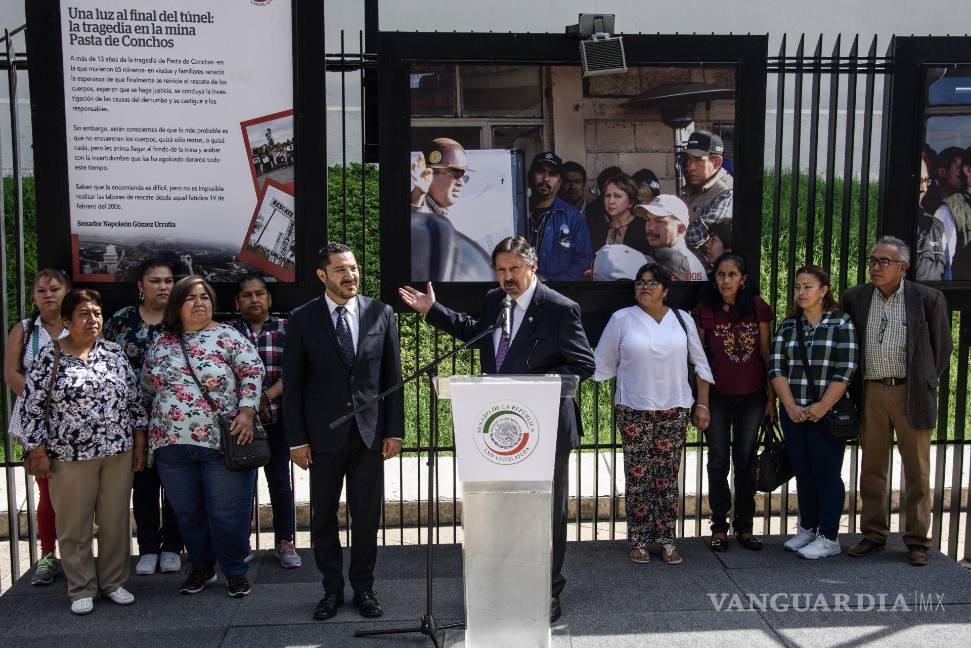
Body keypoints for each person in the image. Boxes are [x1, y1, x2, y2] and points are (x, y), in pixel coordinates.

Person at [399, 235, 595, 623]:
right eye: (501, 270)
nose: (507, 277)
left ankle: (548, 591)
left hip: (546, 428)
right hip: (500, 427)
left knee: (546, 512)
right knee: (505, 509)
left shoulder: (559, 308)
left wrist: (533, 387)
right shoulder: (495, 301)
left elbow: (583, 365)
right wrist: (433, 311)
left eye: (514, 269)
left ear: (533, 266)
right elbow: (477, 333)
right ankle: (507, 582)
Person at [284, 244, 403, 621]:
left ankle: (364, 588)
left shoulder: (381, 313)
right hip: (323, 437)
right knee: (322, 518)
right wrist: (297, 440)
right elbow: (294, 385)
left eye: (353, 269)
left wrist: (394, 431)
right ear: (322, 275)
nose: (350, 276)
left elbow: (392, 379)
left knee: (366, 516)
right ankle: (332, 589)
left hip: (369, 435)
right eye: (340, 270)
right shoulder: (303, 319)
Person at [21, 289, 147, 615]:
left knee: (115, 521)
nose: (92, 320)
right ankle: (81, 587)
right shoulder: (48, 359)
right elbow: (31, 410)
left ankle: (114, 582)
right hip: (69, 456)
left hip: (117, 451)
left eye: (96, 313)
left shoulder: (114, 353)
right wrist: (36, 450)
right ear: (66, 321)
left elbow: (133, 400)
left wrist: (139, 442)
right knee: (75, 525)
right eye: (84, 314)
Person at [141, 276, 265, 598]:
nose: (199, 303)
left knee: (227, 512)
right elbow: (147, 387)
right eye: (190, 298)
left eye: (205, 297)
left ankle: (235, 570)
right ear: (177, 306)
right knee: (188, 513)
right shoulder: (161, 343)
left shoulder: (228, 336)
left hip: (222, 442)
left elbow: (253, 373)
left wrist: (247, 412)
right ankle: (200, 566)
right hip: (171, 445)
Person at [594, 263, 713, 566]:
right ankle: (639, 539)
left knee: (667, 476)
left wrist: (702, 404)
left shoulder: (682, 320)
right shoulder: (622, 319)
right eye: (639, 282)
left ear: (665, 289)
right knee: (638, 476)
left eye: (651, 282)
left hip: (674, 408)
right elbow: (602, 363)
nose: (644, 287)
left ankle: (668, 539)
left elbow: (700, 364)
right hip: (634, 408)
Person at [841, 237, 950, 566]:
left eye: (883, 262)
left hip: (910, 391)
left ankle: (917, 539)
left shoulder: (927, 299)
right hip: (872, 389)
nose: (875, 267)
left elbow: (940, 349)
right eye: (873, 261)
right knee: (872, 468)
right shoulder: (856, 298)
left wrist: (923, 382)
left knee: (917, 469)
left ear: (902, 267)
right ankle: (873, 533)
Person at [768, 265, 858, 559]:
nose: (801, 292)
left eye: (807, 286)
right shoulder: (788, 326)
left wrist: (821, 406)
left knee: (826, 473)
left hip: (826, 413)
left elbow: (845, 369)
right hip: (794, 412)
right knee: (803, 472)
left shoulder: (840, 323)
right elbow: (776, 367)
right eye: (797, 287)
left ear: (824, 290)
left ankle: (829, 536)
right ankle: (808, 527)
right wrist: (791, 405)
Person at [103, 260, 184, 576]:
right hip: (131, 421)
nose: (163, 286)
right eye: (155, 281)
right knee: (144, 485)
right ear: (140, 285)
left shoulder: (181, 319)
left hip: (174, 419)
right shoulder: (121, 321)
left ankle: (173, 546)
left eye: (168, 281)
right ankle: (149, 547)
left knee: (177, 485)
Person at [693, 253, 775, 552]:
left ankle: (745, 526)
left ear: (742, 278)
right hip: (716, 397)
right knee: (717, 461)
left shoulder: (757, 307)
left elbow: (766, 353)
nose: (725, 281)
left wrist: (771, 398)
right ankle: (718, 527)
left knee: (745, 460)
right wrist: (700, 401)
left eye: (731, 275)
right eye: (720, 275)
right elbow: (699, 359)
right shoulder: (704, 310)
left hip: (753, 396)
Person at [226, 274, 300, 569]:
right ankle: (240, 542)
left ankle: (285, 540)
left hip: (278, 418)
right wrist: (248, 404)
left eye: (260, 294)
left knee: (280, 481)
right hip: (238, 421)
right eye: (247, 295)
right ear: (237, 302)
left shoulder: (287, 328)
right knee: (241, 483)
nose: (254, 299)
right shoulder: (227, 332)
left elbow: (295, 370)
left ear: (269, 298)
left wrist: (265, 396)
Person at [4, 269, 70, 586]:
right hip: (37, 420)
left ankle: (78, 553)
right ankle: (47, 554)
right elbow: (11, 373)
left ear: (66, 291)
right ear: (33, 296)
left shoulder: (82, 324)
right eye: (41, 290)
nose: (48, 295)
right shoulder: (25, 330)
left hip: (76, 421)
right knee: (47, 489)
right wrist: (40, 400)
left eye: (54, 289)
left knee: (82, 490)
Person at [410, 137, 492, 281]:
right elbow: (414, 226)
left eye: (463, 176)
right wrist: (418, 194)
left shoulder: (448, 217)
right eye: (455, 174)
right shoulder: (420, 209)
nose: (461, 183)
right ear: (429, 174)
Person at [526, 151, 593, 280]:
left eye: (552, 174)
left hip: (559, 294)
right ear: (531, 176)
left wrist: (550, 282)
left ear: (560, 182)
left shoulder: (574, 219)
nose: (546, 178)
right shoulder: (518, 213)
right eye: (540, 171)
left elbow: (584, 262)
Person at [680, 130, 733, 254]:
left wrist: (667, 231)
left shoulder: (725, 191)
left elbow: (696, 237)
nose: (690, 167)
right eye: (689, 159)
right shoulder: (694, 187)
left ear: (716, 162)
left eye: (698, 160)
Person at [634, 195, 707, 281]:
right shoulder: (659, 258)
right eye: (647, 220)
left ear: (680, 229)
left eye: (659, 221)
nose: (651, 227)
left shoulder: (684, 265)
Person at [586, 172, 652, 256]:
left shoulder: (644, 228)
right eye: (607, 196)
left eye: (617, 196)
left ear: (631, 201)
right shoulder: (598, 232)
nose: (611, 201)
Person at [916, 148, 951, 281]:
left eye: (926, 181)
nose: (923, 188)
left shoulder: (936, 228)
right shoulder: (891, 226)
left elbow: (947, 277)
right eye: (918, 181)